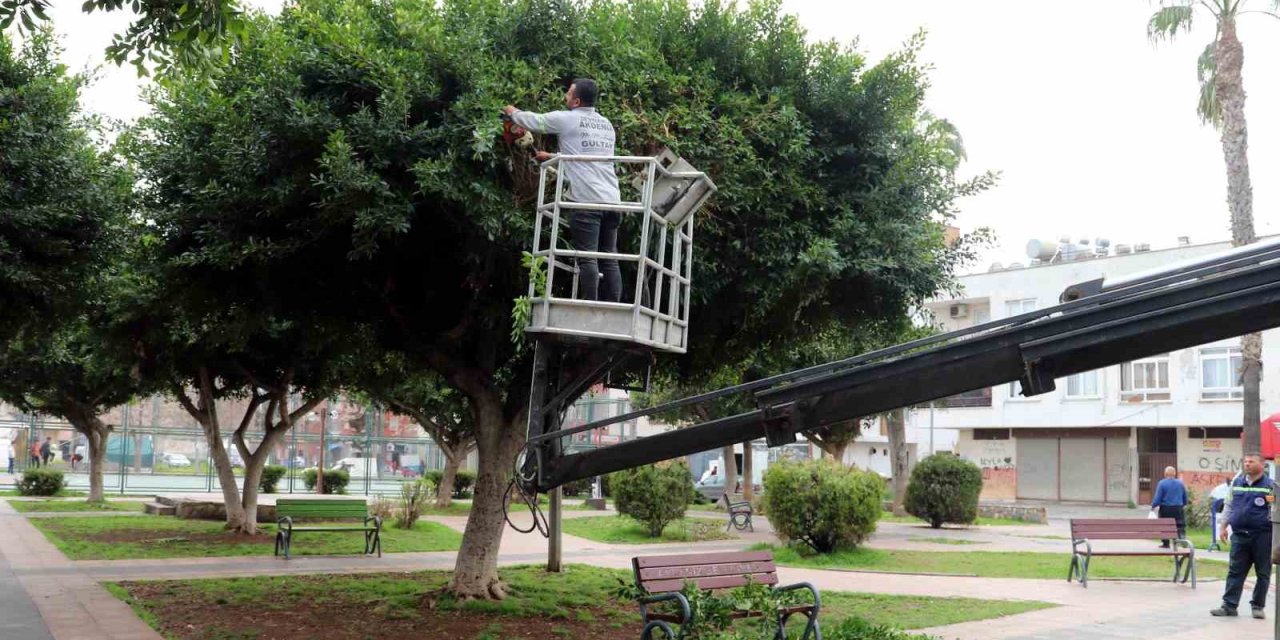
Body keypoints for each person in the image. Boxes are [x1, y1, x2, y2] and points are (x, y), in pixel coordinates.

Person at [504, 78, 622, 302]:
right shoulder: (606, 124)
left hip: (587, 200)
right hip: (613, 199)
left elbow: (537, 121)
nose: (565, 96)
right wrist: (553, 157)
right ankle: (613, 307)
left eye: (568, 93)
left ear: (576, 101)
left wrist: (513, 112)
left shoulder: (567, 118)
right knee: (610, 257)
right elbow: (587, 156)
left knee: (588, 257)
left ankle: (590, 307)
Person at [1211, 453, 1274, 619]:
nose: (1247, 464)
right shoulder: (1237, 483)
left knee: (1263, 573)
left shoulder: (1271, 485)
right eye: (1245, 461)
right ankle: (1229, 606)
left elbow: (1276, 509)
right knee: (1235, 571)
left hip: (1263, 536)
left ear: (1262, 465)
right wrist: (1223, 527)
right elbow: (1229, 505)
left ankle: (1258, 607)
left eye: (1251, 461)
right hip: (1240, 535)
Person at [1150, 465, 1188, 547]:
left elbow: (1158, 498)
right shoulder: (1180, 483)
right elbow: (1184, 496)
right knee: (1180, 524)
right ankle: (1181, 539)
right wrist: (1184, 504)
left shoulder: (1162, 483)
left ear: (1165, 474)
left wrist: (1153, 505)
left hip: (1166, 508)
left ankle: (1166, 543)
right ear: (1174, 474)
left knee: (1164, 525)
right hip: (1178, 508)